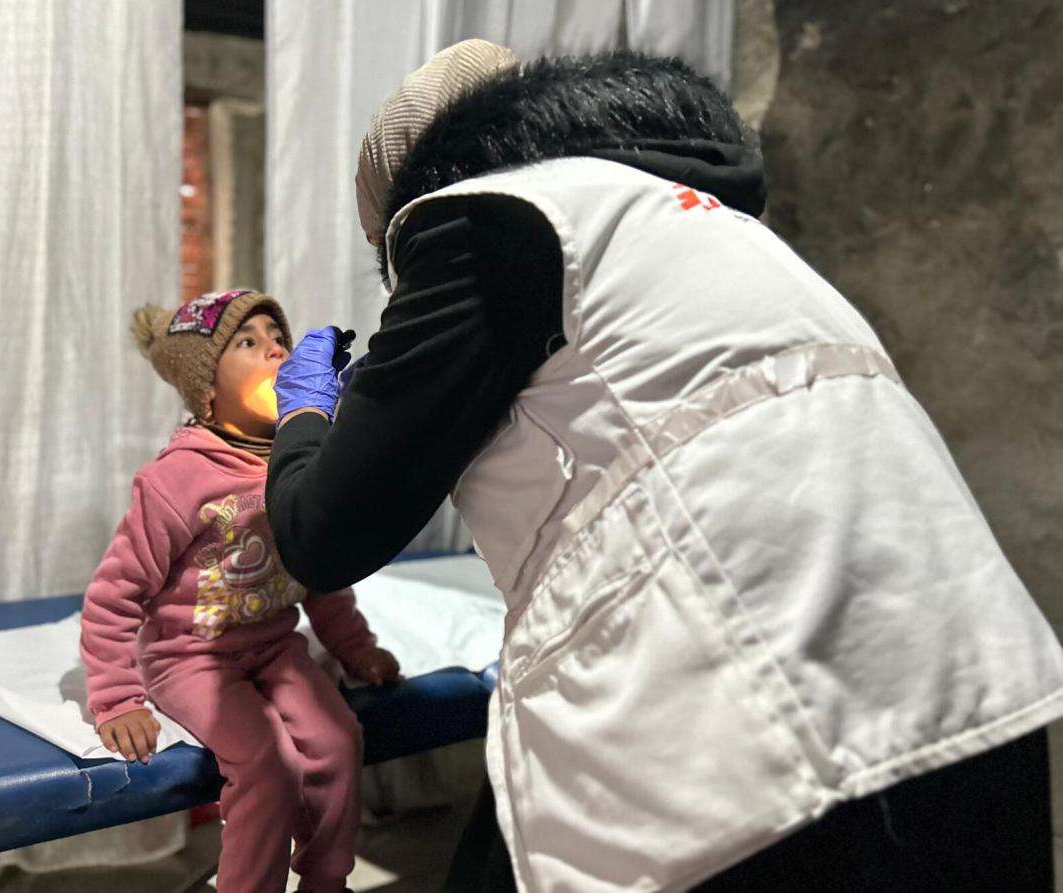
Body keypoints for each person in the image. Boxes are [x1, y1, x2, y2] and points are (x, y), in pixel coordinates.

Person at [266, 40, 1063, 891]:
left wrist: (306, 413)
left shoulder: (478, 217)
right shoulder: (705, 224)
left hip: (752, 732)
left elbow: (323, 534)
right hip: (972, 683)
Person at [80, 288, 400, 893]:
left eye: (278, 339)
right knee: (267, 765)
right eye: (248, 343)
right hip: (189, 657)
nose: (275, 350)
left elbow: (320, 571)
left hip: (275, 648)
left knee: (337, 741)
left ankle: (327, 880)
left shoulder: (301, 461)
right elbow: (113, 597)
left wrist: (354, 648)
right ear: (206, 389)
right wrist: (117, 699)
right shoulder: (176, 479)